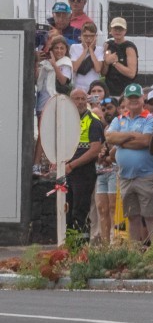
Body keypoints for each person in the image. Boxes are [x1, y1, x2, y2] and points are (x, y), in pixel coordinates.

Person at [105, 83, 153, 243]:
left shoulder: (151, 119)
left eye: (137, 97)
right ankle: (134, 253)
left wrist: (121, 140)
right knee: (132, 216)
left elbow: (145, 141)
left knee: (151, 216)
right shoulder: (118, 119)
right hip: (125, 177)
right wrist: (131, 135)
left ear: (143, 99)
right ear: (125, 100)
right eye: (131, 98)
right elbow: (109, 138)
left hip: (146, 176)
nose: (134, 100)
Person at [62, 88, 103, 238]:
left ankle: (81, 249)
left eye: (82, 99)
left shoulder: (93, 120)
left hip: (83, 173)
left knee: (80, 212)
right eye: (76, 99)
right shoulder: (65, 119)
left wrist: (72, 165)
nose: (80, 102)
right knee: (66, 210)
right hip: (67, 172)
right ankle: (68, 246)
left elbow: (94, 150)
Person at [93, 97, 119, 243]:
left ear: (117, 108)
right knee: (102, 208)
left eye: (109, 108)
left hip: (115, 171)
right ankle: (104, 244)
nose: (107, 112)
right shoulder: (105, 128)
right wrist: (102, 155)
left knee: (113, 207)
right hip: (102, 172)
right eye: (104, 110)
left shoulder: (121, 124)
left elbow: (118, 149)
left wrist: (108, 157)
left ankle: (114, 241)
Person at [35, 35, 72, 113]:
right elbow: (37, 79)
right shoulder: (45, 63)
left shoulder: (66, 62)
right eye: (56, 48)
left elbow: (63, 81)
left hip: (56, 102)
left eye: (62, 48)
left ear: (66, 50)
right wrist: (36, 62)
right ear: (51, 50)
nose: (59, 51)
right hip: (42, 102)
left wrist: (54, 65)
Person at [103, 17, 138, 97]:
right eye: (115, 29)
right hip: (109, 90)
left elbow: (131, 73)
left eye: (120, 29)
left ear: (125, 31)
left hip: (126, 90)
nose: (118, 31)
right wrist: (106, 63)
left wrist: (115, 63)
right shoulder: (107, 45)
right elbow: (103, 72)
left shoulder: (129, 47)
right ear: (110, 30)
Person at [68, 22, 104, 93]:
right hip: (78, 87)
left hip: (93, 88)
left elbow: (98, 69)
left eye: (91, 36)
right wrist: (85, 51)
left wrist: (91, 50)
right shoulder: (74, 47)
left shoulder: (100, 49)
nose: (88, 39)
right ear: (81, 36)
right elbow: (74, 68)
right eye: (85, 36)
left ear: (96, 36)